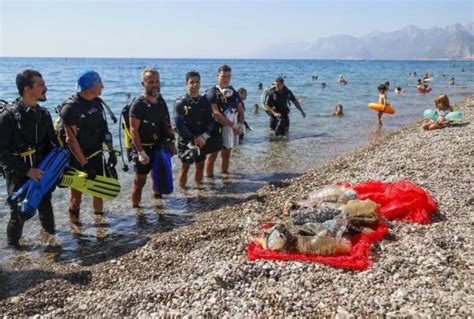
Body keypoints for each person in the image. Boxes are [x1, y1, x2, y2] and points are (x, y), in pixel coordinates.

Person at [0, 70, 58, 247]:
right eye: (41, 85)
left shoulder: (43, 114)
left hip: (41, 170)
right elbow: (1, 152)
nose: (45, 88)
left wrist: (57, 169)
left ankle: (52, 243)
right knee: (18, 213)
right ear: (27, 89)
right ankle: (14, 250)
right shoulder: (8, 117)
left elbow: (53, 145)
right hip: (18, 171)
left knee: (46, 206)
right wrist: (27, 171)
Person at [59, 70, 116, 223]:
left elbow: (104, 129)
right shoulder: (70, 108)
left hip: (96, 154)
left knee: (98, 190)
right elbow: (71, 140)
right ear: (89, 86)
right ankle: (75, 226)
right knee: (76, 196)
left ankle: (99, 222)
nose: (102, 86)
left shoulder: (97, 102)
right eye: (99, 83)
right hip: (77, 158)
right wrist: (84, 164)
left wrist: (111, 152)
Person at [129, 68, 175, 207]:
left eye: (157, 81)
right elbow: (133, 130)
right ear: (143, 83)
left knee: (158, 176)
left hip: (159, 146)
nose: (155, 84)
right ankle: (136, 210)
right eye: (151, 82)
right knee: (140, 181)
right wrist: (141, 152)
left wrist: (172, 142)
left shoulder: (161, 101)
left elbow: (167, 123)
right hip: (142, 148)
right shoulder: (138, 105)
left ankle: (158, 204)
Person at [174, 71, 214, 188]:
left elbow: (211, 121)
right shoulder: (180, 102)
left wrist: (204, 136)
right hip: (186, 141)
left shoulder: (204, 101)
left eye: (197, 82)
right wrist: (193, 139)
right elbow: (179, 125)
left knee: (200, 165)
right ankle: (182, 191)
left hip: (202, 139)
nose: (195, 85)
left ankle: (199, 188)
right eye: (192, 82)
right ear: (187, 83)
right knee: (185, 167)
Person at [204, 65, 244, 177]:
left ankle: (225, 176)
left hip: (230, 128)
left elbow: (241, 111)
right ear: (217, 76)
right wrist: (234, 126)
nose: (226, 79)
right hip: (214, 129)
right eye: (223, 76)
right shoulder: (211, 92)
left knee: (226, 154)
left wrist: (240, 125)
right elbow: (216, 114)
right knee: (212, 156)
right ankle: (209, 180)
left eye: (228, 76)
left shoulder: (233, 92)